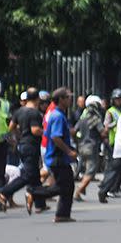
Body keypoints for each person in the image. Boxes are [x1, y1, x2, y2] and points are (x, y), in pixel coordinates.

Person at [26, 87, 77, 223]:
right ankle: (33, 192)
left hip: (58, 157)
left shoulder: (58, 114)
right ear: (61, 99)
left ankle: (62, 214)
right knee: (62, 186)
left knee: (68, 186)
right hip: (57, 157)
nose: (70, 100)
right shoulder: (58, 116)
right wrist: (69, 151)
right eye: (67, 97)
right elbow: (55, 137)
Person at [0, 87, 49, 211]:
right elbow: (35, 130)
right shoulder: (34, 113)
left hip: (23, 145)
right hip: (31, 145)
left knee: (35, 175)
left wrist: (19, 137)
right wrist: (48, 132)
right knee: (28, 176)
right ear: (37, 99)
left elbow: (11, 127)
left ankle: (40, 204)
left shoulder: (19, 111)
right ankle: (4, 191)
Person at [73, 95, 106, 201]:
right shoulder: (95, 118)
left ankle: (82, 187)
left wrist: (77, 140)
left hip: (81, 146)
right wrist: (108, 128)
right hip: (92, 146)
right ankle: (78, 191)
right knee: (91, 172)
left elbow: (74, 130)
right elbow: (102, 132)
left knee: (86, 169)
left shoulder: (82, 118)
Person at [103, 88, 121, 198]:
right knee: (114, 166)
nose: (119, 101)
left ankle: (115, 188)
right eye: (116, 99)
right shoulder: (110, 111)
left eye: (120, 99)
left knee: (120, 167)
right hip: (113, 141)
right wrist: (116, 123)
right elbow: (106, 126)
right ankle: (109, 188)